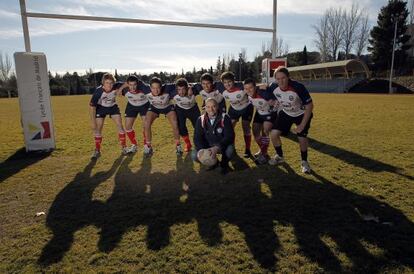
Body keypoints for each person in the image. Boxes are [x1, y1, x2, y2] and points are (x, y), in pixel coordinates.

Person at [267, 67, 314, 173]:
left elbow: (310, 106)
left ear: (288, 77)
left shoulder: (298, 87)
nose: (281, 81)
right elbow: (267, 92)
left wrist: (302, 125)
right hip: (287, 113)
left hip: (301, 114)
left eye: (283, 78)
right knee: (274, 134)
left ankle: (304, 161)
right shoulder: (273, 87)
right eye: (278, 79)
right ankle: (279, 156)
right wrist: (272, 102)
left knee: (301, 137)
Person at [89, 73, 127, 159]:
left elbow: (127, 83)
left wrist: (120, 89)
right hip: (101, 108)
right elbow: (92, 107)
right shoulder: (98, 91)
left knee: (120, 125)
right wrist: (93, 122)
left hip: (112, 107)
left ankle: (124, 147)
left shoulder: (116, 86)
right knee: (98, 128)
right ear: (103, 83)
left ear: (113, 83)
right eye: (107, 82)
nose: (109, 85)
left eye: (111, 83)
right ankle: (97, 150)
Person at [192, 98, 235, 174]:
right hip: (207, 145)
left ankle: (224, 165)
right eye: (208, 107)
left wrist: (217, 147)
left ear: (217, 106)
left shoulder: (225, 117)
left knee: (230, 150)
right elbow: (197, 138)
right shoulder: (200, 119)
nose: (211, 109)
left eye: (213, 106)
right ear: (205, 107)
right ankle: (214, 163)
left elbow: (229, 136)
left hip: (221, 144)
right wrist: (201, 149)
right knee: (195, 155)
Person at [144, 77, 182, 156]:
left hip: (167, 107)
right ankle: (148, 147)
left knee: (175, 123)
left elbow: (180, 84)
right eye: (153, 88)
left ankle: (178, 146)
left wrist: (189, 87)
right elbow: (133, 82)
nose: (156, 90)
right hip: (154, 108)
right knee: (146, 123)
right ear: (150, 88)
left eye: (158, 88)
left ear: (161, 87)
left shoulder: (168, 88)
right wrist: (120, 89)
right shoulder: (145, 89)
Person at [243, 78, 277, 165]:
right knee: (255, 133)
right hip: (259, 113)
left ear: (255, 87)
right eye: (246, 88)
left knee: (265, 131)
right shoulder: (247, 94)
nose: (248, 90)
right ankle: (262, 149)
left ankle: (264, 154)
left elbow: (273, 100)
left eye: (250, 88)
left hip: (269, 114)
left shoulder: (262, 93)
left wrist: (273, 103)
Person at [220, 71, 253, 158]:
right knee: (229, 128)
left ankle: (248, 149)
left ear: (234, 81)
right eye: (225, 82)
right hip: (234, 109)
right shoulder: (220, 88)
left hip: (246, 107)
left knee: (245, 127)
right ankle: (232, 147)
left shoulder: (241, 86)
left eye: (229, 82)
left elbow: (253, 87)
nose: (227, 84)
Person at [164, 78, 201, 152]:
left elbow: (200, 85)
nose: (181, 92)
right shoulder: (173, 93)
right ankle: (188, 144)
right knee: (181, 127)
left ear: (187, 88)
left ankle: (199, 144)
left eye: (183, 89)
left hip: (193, 109)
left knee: (198, 127)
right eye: (179, 89)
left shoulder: (193, 91)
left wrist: (191, 87)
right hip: (180, 110)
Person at [119, 75, 150, 153]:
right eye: (130, 85)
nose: (132, 87)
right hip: (131, 105)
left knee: (146, 125)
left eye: (134, 85)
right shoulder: (125, 89)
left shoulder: (144, 88)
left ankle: (147, 145)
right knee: (127, 126)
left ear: (138, 84)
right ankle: (134, 145)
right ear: (127, 84)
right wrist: (120, 89)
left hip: (144, 105)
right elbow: (111, 86)